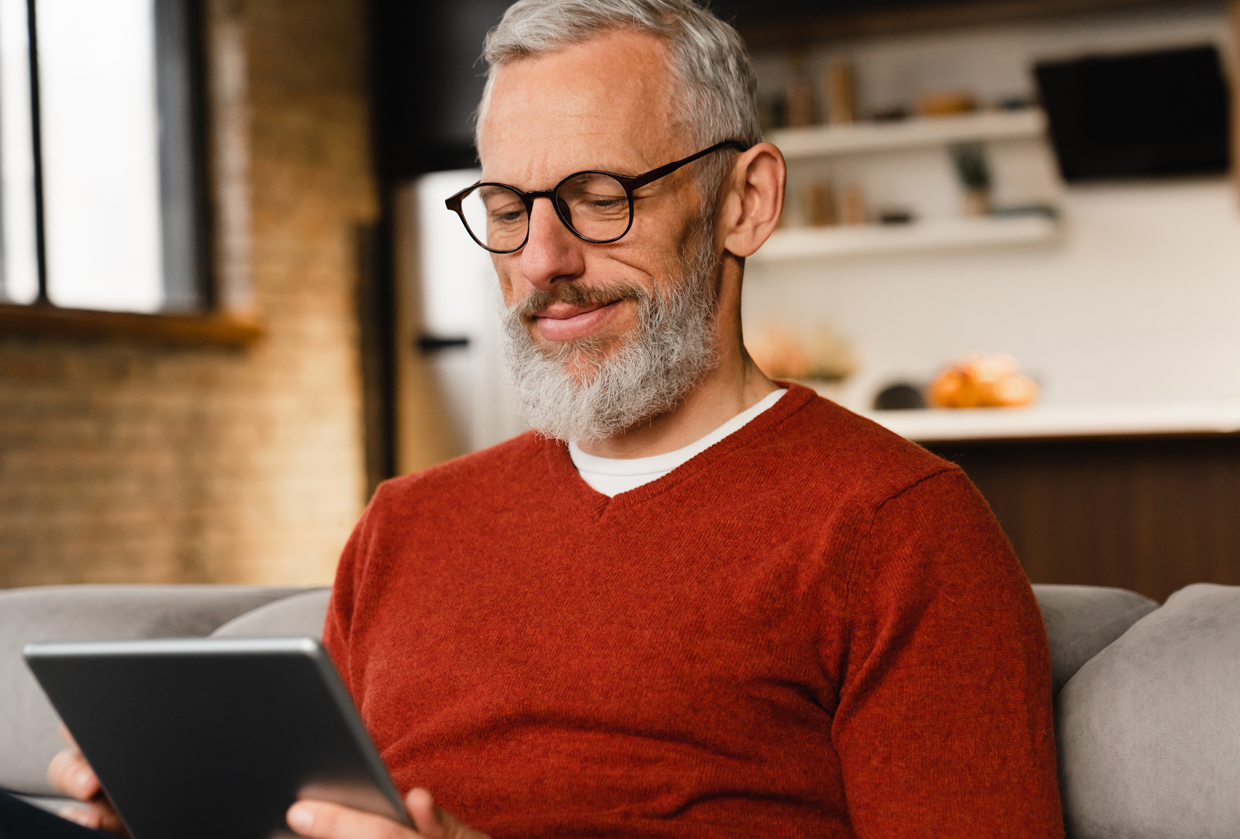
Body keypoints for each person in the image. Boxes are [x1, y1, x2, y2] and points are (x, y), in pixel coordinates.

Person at [43, 1, 1065, 837]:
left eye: (599, 195)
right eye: (504, 206)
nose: (541, 260)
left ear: (745, 202)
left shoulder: (897, 526)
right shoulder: (408, 523)